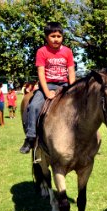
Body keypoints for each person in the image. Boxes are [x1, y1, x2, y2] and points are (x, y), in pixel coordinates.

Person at [19, 21, 76, 154]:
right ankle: (30, 137)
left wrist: (73, 88)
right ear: (46, 37)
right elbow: (41, 73)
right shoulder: (42, 51)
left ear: (62, 37)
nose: (56, 39)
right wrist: (46, 92)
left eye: (59, 36)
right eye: (53, 36)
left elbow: (71, 71)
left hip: (64, 84)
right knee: (33, 106)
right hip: (48, 84)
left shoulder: (67, 51)